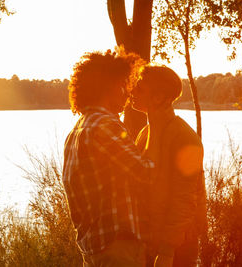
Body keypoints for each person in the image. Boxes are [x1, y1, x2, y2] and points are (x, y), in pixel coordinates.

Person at [62, 49, 156, 267]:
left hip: (93, 248)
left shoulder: (77, 130)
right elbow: (146, 172)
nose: (127, 92)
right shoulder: (104, 125)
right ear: (110, 87)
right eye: (124, 85)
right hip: (117, 247)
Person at [131, 65, 207, 267]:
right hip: (150, 242)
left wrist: (167, 251)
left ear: (158, 97)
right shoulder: (145, 134)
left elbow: (185, 199)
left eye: (140, 88)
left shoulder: (185, 137)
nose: (132, 90)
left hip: (176, 249)